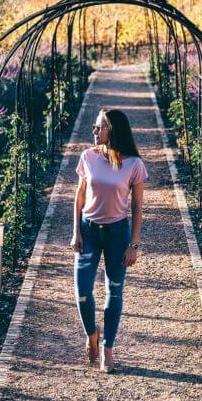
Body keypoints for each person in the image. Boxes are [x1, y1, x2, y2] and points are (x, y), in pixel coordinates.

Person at [71, 107, 148, 373]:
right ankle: (91, 334)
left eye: (99, 127)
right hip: (89, 231)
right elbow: (80, 197)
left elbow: (137, 207)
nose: (94, 131)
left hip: (117, 235)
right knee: (82, 292)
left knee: (114, 292)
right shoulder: (88, 157)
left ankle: (107, 349)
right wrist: (76, 232)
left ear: (112, 130)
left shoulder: (134, 164)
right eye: (94, 126)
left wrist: (133, 245)